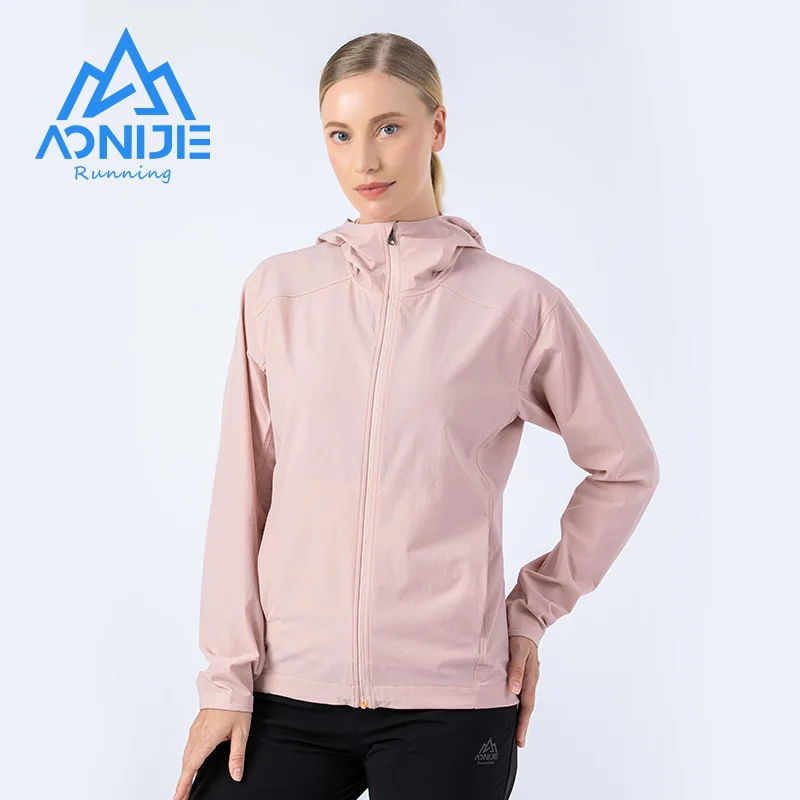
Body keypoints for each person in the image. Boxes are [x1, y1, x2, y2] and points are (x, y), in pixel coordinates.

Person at [174, 31, 659, 800]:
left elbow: (625, 468)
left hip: (451, 701)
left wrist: (531, 612)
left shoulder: (517, 305)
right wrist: (224, 682)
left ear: (437, 128)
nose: (364, 160)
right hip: (286, 691)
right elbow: (244, 490)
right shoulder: (279, 293)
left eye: (389, 127)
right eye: (340, 134)